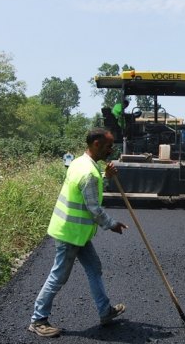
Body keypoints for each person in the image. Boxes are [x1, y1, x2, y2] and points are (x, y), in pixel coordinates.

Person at [29, 128, 129, 338]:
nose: (111, 150)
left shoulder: (80, 163)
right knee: (58, 276)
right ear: (96, 144)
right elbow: (94, 208)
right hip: (70, 234)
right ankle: (38, 320)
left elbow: (88, 188)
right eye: (108, 146)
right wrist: (112, 224)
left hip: (78, 233)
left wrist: (106, 176)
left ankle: (105, 311)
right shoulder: (88, 173)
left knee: (94, 268)